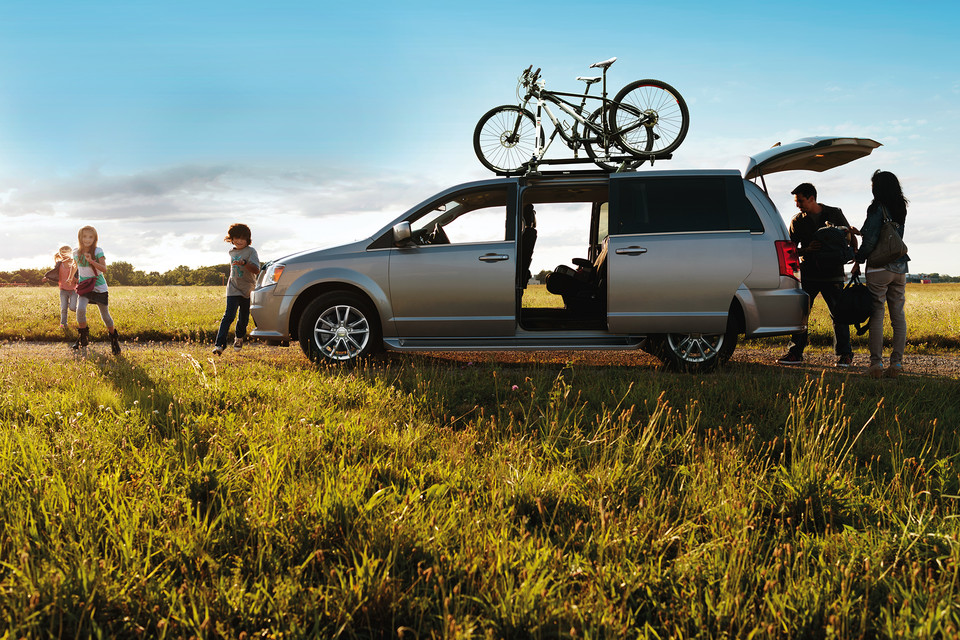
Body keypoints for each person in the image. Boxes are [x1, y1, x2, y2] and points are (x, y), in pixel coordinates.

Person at [777, 183, 855, 368]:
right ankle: (795, 353)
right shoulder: (797, 221)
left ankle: (845, 355)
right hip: (809, 274)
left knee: (839, 315)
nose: (798, 205)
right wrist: (807, 249)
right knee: (801, 316)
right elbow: (790, 250)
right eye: (797, 202)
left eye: (800, 201)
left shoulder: (835, 213)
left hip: (833, 273)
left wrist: (856, 260)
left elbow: (850, 237)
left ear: (812, 198)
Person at [851, 170, 909, 379]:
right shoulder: (901, 207)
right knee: (898, 316)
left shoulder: (876, 208)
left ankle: (876, 365)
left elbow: (871, 240)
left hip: (879, 268)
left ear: (878, 187)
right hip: (900, 267)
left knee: (877, 315)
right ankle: (897, 364)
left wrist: (858, 259)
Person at [72, 226, 122, 355]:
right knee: (80, 309)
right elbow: (75, 264)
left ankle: (114, 339)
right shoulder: (76, 252)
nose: (87, 239)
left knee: (105, 316)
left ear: (94, 238)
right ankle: (83, 338)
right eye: (84, 236)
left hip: (99, 286)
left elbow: (104, 269)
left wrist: (91, 261)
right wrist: (70, 276)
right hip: (84, 286)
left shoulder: (98, 251)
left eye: (90, 237)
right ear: (80, 237)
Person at [213, 223, 260, 355]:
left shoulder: (251, 251)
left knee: (243, 318)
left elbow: (256, 270)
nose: (239, 241)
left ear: (248, 240)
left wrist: (244, 263)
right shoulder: (232, 252)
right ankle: (219, 346)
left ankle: (239, 338)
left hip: (247, 289)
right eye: (236, 237)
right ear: (231, 239)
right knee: (228, 316)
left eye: (242, 238)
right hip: (233, 288)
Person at [44, 245, 78, 328]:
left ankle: (81, 313)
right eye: (62, 253)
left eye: (66, 253)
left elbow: (79, 273)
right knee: (63, 308)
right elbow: (55, 272)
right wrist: (47, 277)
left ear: (70, 253)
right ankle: (63, 324)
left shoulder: (75, 263)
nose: (64, 255)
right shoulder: (59, 264)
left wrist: (78, 280)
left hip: (74, 290)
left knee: (73, 307)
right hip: (63, 290)